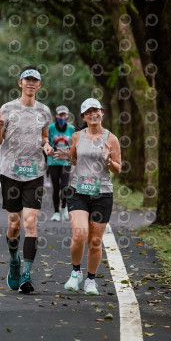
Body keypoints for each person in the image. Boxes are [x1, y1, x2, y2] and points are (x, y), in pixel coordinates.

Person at [0, 66, 54, 294]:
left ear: (39, 85)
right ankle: (14, 261)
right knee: (14, 224)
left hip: (35, 173)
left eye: (34, 80)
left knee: (30, 222)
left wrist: (46, 145)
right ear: (20, 83)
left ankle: (27, 274)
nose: (30, 83)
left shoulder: (44, 112)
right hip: (10, 173)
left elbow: (44, 136)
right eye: (26, 80)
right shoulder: (7, 110)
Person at [53, 98, 121, 296]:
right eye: (89, 111)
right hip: (78, 192)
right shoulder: (76, 136)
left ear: (102, 113)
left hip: (103, 194)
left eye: (96, 110)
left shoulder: (111, 139)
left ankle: (91, 280)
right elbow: (75, 158)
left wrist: (109, 161)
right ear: (83, 116)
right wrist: (68, 157)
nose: (93, 114)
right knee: (80, 234)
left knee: (95, 241)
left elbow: (118, 168)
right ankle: (76, 272)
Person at [47, 105, 75, 222]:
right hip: (53, 162)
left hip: (66, 162)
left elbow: (74, 146)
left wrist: (73, 158)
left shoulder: (71, 129)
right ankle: (56, 212)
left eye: (64, 115)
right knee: (56, 187)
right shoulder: (51, 128)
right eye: (60, 115)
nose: (62, 117)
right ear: (56, 116)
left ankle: (64, 207)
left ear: (67, 116)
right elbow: (46, 144)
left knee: (64, 186)